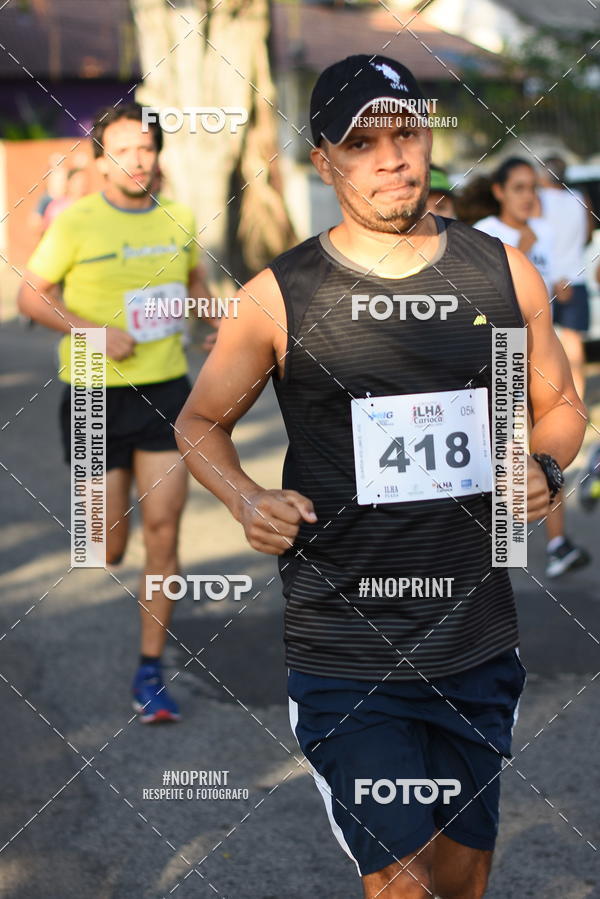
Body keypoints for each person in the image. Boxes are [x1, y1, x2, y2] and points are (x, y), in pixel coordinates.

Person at [175, 54, 586, 898]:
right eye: (361, 142)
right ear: (323, 161)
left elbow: (559, 405)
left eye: (406, 133)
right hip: (347, 651)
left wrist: (545, 466)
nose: (391, 157)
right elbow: (199, 421)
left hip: (477, 640)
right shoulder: (279, 295)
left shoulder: (503, 272)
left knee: (463, 880)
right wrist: (246, 497)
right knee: (402, 883)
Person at [17, 102, 214, 724]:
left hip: (165, 393)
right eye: (123, 150)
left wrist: (211, 320)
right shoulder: (75, 221)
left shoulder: (179, 217)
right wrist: (93, 332)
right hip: (93, 395)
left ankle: (150, 670)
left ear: (158, 156)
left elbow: (194, 281)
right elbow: (31, 296)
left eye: (146, 148)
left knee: (164, 532)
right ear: (101, 162)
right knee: (104, 545)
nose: (137, 160)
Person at [472, 159, 590, 578]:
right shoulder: (484, 233)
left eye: (532, 188)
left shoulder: (545, 231)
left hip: (541, 352)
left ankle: (557, 544)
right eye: (518, 188)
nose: (528, 197)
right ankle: (497, 553)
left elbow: (553, 288)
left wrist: (560, 285)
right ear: (499, 192)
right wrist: (520, 247)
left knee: (543, 456)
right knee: (504, 455)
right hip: (500, 353)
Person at [538, 156, 590, 401]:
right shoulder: (580, 198)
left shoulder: (539, 199)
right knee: (573, 341)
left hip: (547, 279)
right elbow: (587, 235)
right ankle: (578, 399)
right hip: (575, 277)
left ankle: (551, 399)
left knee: (543, 342)